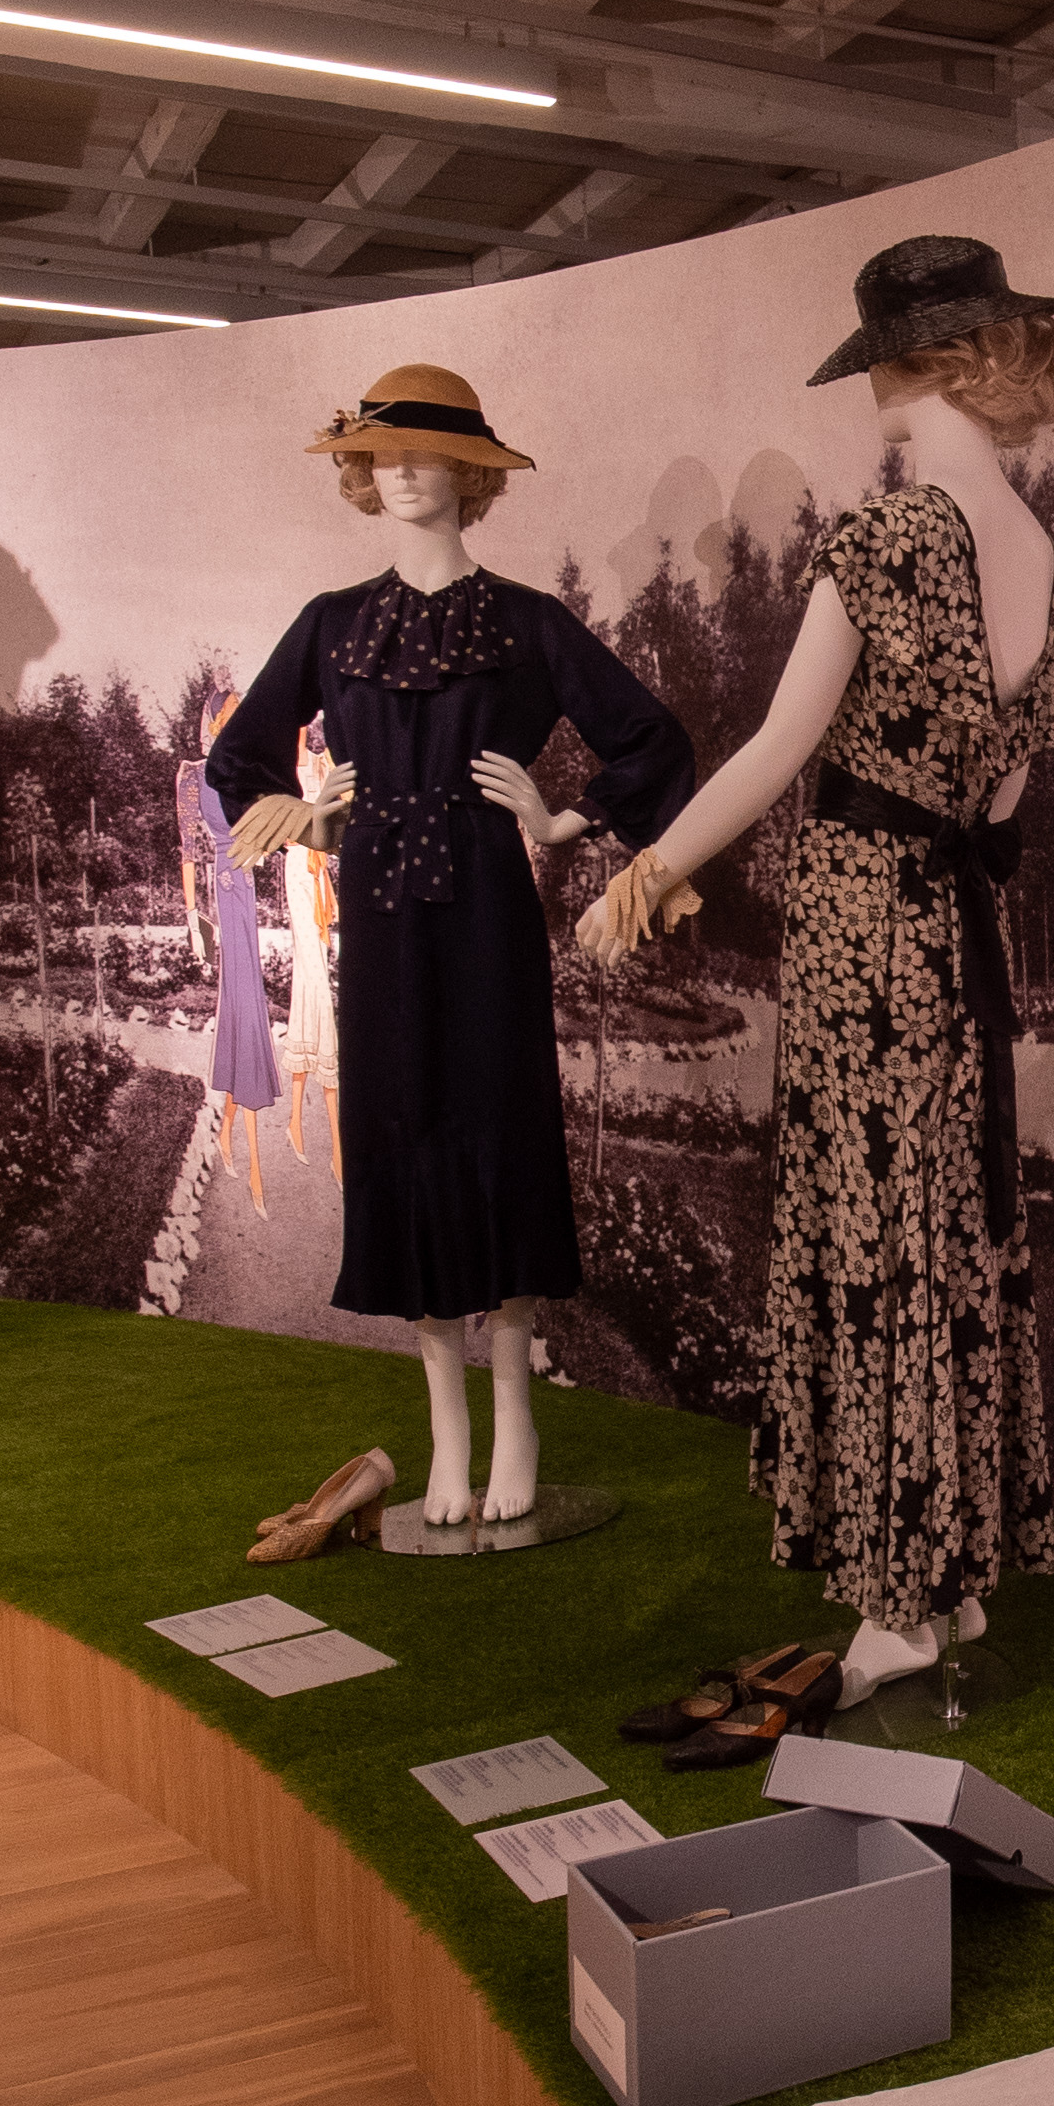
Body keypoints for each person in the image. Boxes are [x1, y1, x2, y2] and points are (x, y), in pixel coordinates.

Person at [583, 237, 1054, 1698]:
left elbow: (775, 748)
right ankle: (954, 1575)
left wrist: (647, 869)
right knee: (944, 1235)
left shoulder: (884, 539)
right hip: (953, 923)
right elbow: (1004, 797)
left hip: (863, 922)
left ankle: (898, 1602)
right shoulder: (1043, 558)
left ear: (904, 365)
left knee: (874, 1243)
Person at [208, 365, 692, 1527]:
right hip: (378, 906)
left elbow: (650, 737)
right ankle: (445, 1433)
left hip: (483, 902)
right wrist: (305, 817)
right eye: (383, 454)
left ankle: (515, 1415)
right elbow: (238, 758)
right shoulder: (332, 622)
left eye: (427, 453)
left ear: (471, 475)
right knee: (404, 1128)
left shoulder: (526, 620)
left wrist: (564, 818)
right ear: (362, 473)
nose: (403, 471)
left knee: (496, 1125)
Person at [181, 674, 277, 1219]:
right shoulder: (194, 775)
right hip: (223, 884)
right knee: (242, 1003)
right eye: (231, 713)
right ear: (214, 721)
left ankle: (228, 1134)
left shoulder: (244, 772)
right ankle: (256, 1166)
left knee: (246, 1004)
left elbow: (265, 830)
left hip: (247, 882)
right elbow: (187, 850)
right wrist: (193, 920)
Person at [279, 716, 342, 1178]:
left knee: (309, 983)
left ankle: (295, 1120)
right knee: (317, 986)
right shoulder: (298, 760)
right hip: (301, 868)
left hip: (319, 872)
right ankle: (337, 1138)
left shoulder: (331, 763)